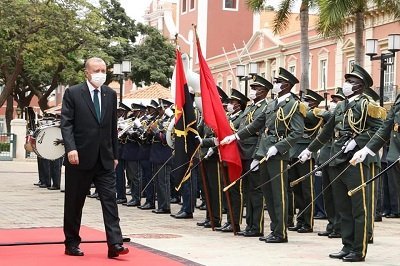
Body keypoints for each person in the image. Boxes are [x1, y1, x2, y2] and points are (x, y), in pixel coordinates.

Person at [299, 64, 384, 262]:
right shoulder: (342, 106)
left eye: (351, 82)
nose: (347, 85)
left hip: (356, 161)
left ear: (360, 86)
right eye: (347, 81)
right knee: (343, 207)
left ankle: (358, 249)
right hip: (337, 159)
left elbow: (381, 129)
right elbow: (328, 131)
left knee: (358, 207)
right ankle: (347, 245)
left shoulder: (367, 104)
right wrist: (309, 149)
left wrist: (360, 142)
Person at [221, 67, 305, 243]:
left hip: (278, 155)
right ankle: (274, 230)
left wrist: (280, 147)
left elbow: (297, 132)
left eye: (277, 82)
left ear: (286, 85)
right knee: (268, 193)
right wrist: (235, 136)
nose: (274, 85)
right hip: (265, 153)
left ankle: (281, 232)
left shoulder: (294, 105)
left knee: (278, 194)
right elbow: (255, 127)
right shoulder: (273, 105)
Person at [61, 57, 129, 258]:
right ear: (86, 73)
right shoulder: (73, 93)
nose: (101, 73)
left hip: (105, 159)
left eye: (103, 70)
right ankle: (71, 242)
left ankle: (115, 244)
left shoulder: (110, 94)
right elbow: (66, 124)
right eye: (96, 70)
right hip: (79, 158)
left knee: (110, 201)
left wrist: (115, 154)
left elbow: (111, 126)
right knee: (74, 203)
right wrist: (70, 148)